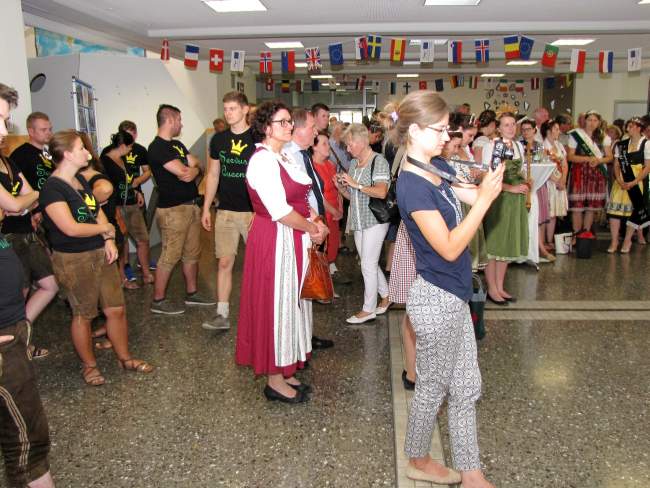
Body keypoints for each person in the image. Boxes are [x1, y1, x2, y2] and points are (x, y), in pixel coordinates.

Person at [392, 90, 501, 488]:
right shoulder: (411, 186)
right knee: (432, 389)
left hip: (454, 292)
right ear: (414, 130)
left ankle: (472, 473)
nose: (446, 137)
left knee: (467, 387)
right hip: (435, 299)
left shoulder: (436, 165)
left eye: (447, 129)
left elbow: (470, 196)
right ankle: (418, 459)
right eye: (438, 130)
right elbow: (451, 246)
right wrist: (484, 201)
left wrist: (488, 186)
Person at [39, 130, 153, 385]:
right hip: (74, 259)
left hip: (100, 253)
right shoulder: (52, 189)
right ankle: (89, 366)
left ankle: (125, 358)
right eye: (81, 148)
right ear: (67, 154)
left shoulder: (79, 179)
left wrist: (108, 239)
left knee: (116, 309)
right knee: (84, 314)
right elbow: (70, 228)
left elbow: (96, 211)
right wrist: (105, 229)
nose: (88, 154)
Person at [235, 101, 328, 404]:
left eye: (290, 121)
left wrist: (316, 222)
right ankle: (274, 381)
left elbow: (300, 201)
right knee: (277, 307)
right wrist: (312, 228)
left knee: (292, 305)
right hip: (275, 240)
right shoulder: (262, 161)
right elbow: (280, 211)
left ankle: (286, 370)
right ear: (266, 128)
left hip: (293, 238)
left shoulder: (282, 156)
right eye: (283, 122)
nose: (289, 126)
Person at [0, 83, 55, 488]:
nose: (5, 131)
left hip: (10, 324)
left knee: (24, 441)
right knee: (27, 445)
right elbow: (19, 201)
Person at [148, 104, 215, 314]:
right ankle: (158, 300)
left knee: (192, 254)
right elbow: (182, 171)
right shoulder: (157, 147)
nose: (181, 124)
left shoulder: (177, 144)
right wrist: (192, 169)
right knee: (170, 255)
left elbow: (198, 165)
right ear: (169, 120)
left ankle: (192, 293)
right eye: (179, 120)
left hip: (191, 206)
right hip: (172, 211)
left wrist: (195, 170)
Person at [1, 136, 58, 359]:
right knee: (18, 293)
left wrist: (24, 200)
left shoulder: (8, 163)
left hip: (27, 232)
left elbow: (32, 196)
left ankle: (20, 337)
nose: (4, 132)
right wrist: (21, 201)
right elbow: (16, 203)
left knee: (50, 285)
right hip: (9, 236)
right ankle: (18, 345)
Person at [201, 92, 254, 330]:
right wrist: (206, 208)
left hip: (253, 212)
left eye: (233, 108)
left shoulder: (257, 138)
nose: (228, 113)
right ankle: (221, 313)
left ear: (245, 109)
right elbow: (213, 174)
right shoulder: (218, 140)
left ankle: (261, 310)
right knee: (224, 262)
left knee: (258, 264)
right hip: (225, 211)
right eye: (225, 109)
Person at [284, 108, 334, 349]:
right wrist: (313, 223)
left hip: (314, 222)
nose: (316, 132)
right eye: (312, 127)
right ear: (299, 128)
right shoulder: (287, 156)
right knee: (299, 284)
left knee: (309, 280)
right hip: (302, 225)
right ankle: (297, 340)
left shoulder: (303, 154)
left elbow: (313, 192)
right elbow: (295, 199)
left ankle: (305, 336)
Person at [334, 123, 391, 324]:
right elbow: (353, 196)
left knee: (367, 263)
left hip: (375, 220)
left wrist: (356, 184)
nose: (348, 149)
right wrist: (341, 187)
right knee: (369, 262)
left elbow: (381, 192)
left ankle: (368, 309)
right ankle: (386, 296)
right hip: (358, 220)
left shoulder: (378, 161)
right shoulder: (354, 163)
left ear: (361, 142)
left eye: (350, 145)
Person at [483, 113, 529, 305]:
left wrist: (525, 183)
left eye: (513, 124)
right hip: (499, 199)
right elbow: (487, 176)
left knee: (507, 243)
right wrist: (510, 188)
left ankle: (500, 286)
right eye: (506, 125)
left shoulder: (518, 146)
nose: (511, 128)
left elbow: (521, 171)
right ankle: (492, 288)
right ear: (499, 128)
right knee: (495, 244)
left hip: (515, 200)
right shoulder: (492, 146)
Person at [102, 130, 155, 287]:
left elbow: (129, 180)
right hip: (116, 207)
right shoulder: (105, 161)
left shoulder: (123, 158)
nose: (131, 149)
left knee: (143, 238)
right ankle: (123, 279)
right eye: (130, 146)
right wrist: (113, 209)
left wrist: (137, 192)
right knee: (120, 242)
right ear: (122, 145)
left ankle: (146, 273)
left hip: (131, 204)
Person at [117, 120, 155, 278]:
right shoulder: (113, 151)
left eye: (133, 133)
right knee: (123, 235)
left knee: (142, 233)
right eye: (127, 134)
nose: (130, 137)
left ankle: (143, 261)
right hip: (119, 199)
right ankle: (126, 265)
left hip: (136, 196)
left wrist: (137, 182)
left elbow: (147, 171)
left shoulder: (140, 150)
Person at [606, 117, 650, 253]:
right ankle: (614, 241)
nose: (627, 129)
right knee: (614, 212)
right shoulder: (622, 144)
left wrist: (634, 182)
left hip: (636, 180)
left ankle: (627, 240)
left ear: (639, 128)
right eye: (628, 126)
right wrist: (619, 180)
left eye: (631, 126)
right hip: (621, 180)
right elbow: (616, 164)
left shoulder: (646, 144)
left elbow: (647, 167)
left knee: (634, 212)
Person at [567, 110, 613, 237]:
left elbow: (610, 157)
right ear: (585, 121)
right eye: (589, 120)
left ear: (599, 122)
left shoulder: (604, 137)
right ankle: (576, 235)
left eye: (595, 120)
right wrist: (588, 159)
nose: (592, 123)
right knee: (577, 207)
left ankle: (586, 234)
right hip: (579, 172)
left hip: (596, 173)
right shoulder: (576, 135)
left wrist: (599, 160)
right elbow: (570, 156)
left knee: (590, 208)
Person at [520, 119, 554, 261]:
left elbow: (542, 163)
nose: (526, 132)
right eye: (523, 129)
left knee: (538, 218)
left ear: (534, 130)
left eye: (528, 129)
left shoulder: (539, 146)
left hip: (538, 184)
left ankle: (540, 248)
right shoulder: (518, 145)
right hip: (523, 184)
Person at [311, 130, 343, 282]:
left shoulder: (330, 164)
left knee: (333, 243)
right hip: (323, 212)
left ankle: (329, 274)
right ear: (314, 147)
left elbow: (337, 189)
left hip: (335, 212)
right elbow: (318, 196)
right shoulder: (312, 167)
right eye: (324, 144)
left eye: (328, 143)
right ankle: (323, 281)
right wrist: (334, 211)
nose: (328, 147)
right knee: (323, 246)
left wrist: (340, 208)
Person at [541, 120, 569, 248]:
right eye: (556, 129)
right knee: (547, 212)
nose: (559, 132)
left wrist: (563, 179)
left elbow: (565, 164)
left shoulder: (559, 145)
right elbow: (543, 167)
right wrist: (556, 180)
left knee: (554, 214)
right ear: (548, 131)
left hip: (559, 182)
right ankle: (543, 242)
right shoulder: (543, 146)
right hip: (548, 183)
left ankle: (550, 240)